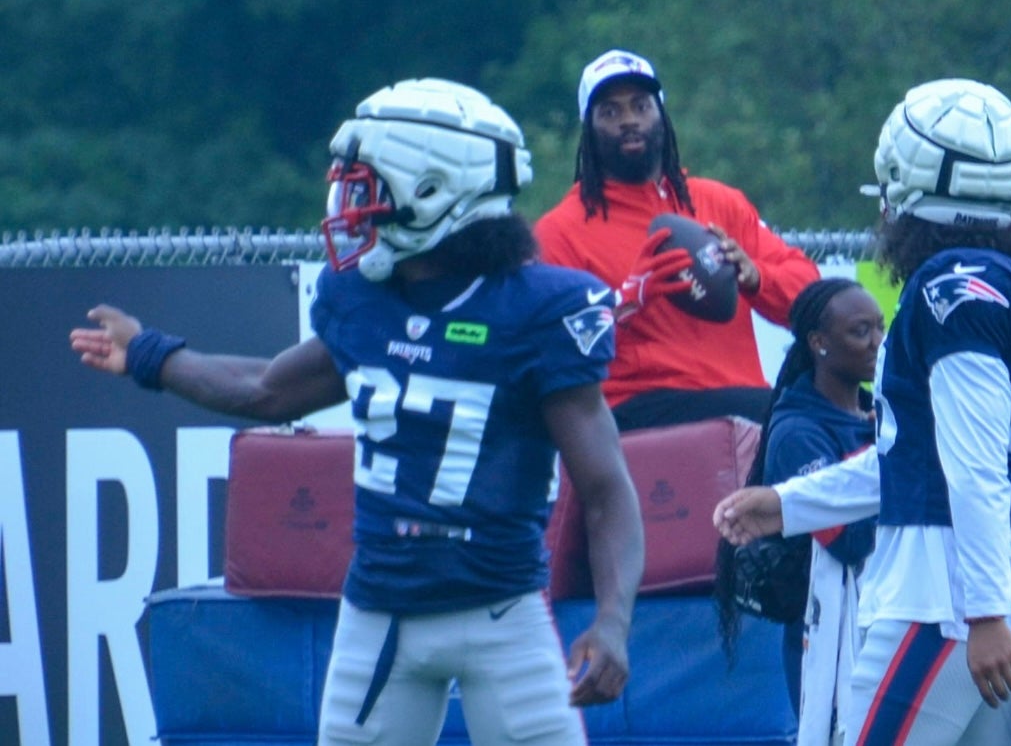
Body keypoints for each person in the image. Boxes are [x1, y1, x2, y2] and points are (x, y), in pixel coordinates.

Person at [69, 78, 645, 746]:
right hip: (379, 616)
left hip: (502, 615)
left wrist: (613, 620)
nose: (350, 204)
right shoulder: (365, 300)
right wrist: (149, 353)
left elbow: (604, 488)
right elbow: (266, 388)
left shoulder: (536, 309)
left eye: (368, 185)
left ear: (434, 189)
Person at [714, 78, 1011, 745]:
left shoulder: (953, 287)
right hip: (983, 581)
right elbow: (914, 458)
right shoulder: (998, 275)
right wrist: (788, 503)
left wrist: (984, 610)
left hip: (948, 593)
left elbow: (972, 466)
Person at [533, 48, 821, 431]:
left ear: (662, 115)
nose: (629, 121)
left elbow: (813, 297)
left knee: (841, 411)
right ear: (588, 129)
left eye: (641, 106)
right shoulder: (560, 230)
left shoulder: (720, 202)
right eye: (611, 112)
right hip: (634, 411)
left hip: (742, 400)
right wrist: (624, 302)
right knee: (779, 413)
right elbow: (547, 351)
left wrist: (756, 278)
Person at [715, 277, 883, 745]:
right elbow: (845, 540)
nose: (877, 343)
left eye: (881, 329)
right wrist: (885, 466)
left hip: (881, 620)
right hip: (826, 638)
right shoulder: (798, 431)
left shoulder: (877, 415)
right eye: (860, 331)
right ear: (818, 343)